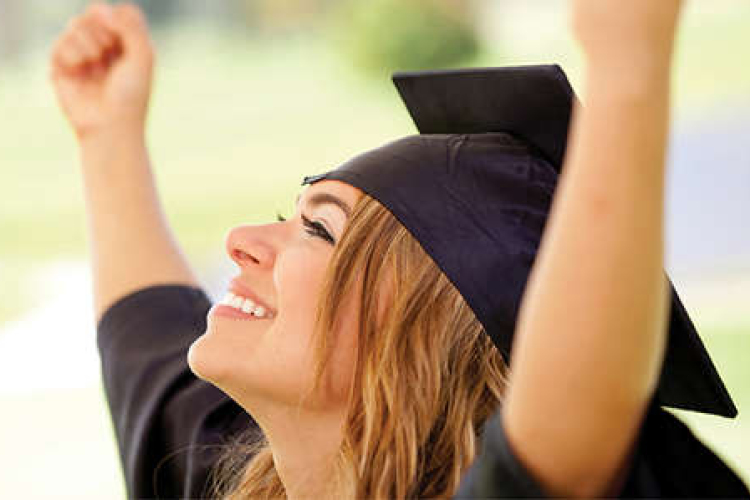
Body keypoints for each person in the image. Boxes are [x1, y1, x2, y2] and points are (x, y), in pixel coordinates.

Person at [49, 1, 749, 498]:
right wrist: (106, 133)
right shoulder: (234, 479)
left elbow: (574, 407)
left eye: (317, 231)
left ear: (420, 340)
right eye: (290, 217)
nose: (241, 241)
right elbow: (143, 335)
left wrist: (627, 61)